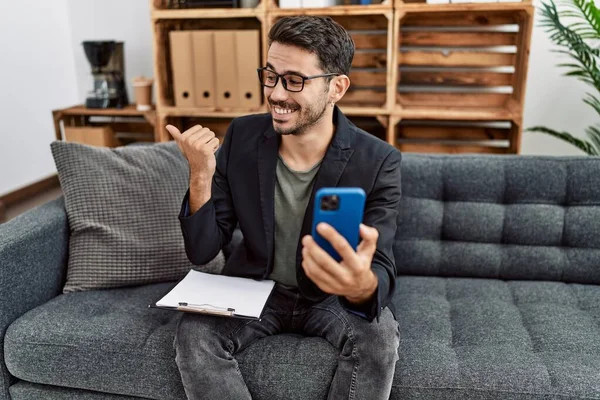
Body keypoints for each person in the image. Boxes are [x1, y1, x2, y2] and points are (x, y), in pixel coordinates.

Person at [166, 15, 402, 400]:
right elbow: (204, 250)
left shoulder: (378, 160)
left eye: (294, 81)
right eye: (270, 75)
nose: (276, 93)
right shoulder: (242, 136)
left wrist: (361, 286)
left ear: (336, 87)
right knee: (194, 333)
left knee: (379, 339)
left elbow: (382, 266)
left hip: (330, 296)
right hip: (255, 289)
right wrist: (200, 176)